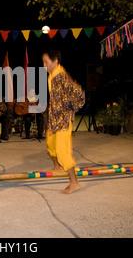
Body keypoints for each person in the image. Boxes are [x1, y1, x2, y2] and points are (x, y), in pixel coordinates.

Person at [42, 49, 85, 194]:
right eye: (43, 62)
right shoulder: (52, 76)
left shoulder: (62, 76)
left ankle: (74, 182)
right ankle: (56, 166)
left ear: (55, 61)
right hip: (54, 118)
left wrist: (69, 109)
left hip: (63, 119)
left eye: (46, 62)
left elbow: (79, 95)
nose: (44, 65)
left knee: (62, 150)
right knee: (50, 143)